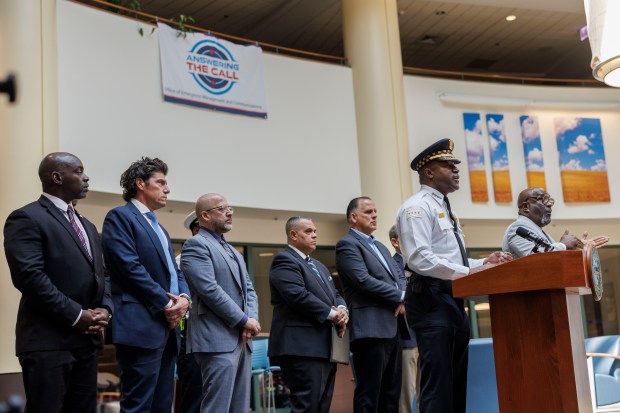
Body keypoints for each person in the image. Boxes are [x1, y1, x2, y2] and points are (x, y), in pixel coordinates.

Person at [396, 138, 511, 413]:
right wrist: (469, 272)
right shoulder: (417, 207)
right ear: (429, 172)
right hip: (430, 299)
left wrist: (484, 262)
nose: (456, 170)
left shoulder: (448, 210)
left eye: (455, 165)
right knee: (438, 385)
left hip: (451, 299)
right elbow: (420, 258)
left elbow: (451, 260)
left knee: (457, 382)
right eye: (448, 165)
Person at [3, 152, 112, 413]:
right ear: (57, 177)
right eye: (79, 171)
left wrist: (105, 309)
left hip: (87, 342)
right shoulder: (26, 217)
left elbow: (103, 274)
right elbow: (30, 277)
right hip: (48, 342)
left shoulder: (86, 224)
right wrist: (77, 315)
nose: (86, 178)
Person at [101, 157, 190, 413]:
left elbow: (175, 270)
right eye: (160, 182)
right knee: (139, 405)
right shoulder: (120, 217)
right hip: (140, 325)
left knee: (163, 405)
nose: (167, 189)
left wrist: (184, 298)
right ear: (140, 184)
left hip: (168, 328)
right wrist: (166, 304)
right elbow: (129, 268)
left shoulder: (159, 227)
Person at [180, 193, 260, 413]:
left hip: (242, 340)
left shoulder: (234, 251)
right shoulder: (195, 245)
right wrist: (243, 320)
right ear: (205, 215)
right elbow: (209, 290)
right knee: (217, 408)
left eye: (230, 208)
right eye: (222, 208)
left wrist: (252, 319)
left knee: (240, 408)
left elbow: (249, 290)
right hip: (216, 340)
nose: (230, 212)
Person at [268, 216, 349, 413]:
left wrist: (343, 309)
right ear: (293, 235)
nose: (314, 235)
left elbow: (336, 294)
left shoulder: (319, 266)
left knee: (322, 405)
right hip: (300, 347)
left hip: (325, 347)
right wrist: (333, 314)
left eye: (315, 231)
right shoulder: (284, 260)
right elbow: (297, 296)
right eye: (308, 231)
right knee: (307, 405)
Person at [336, 197, 406, 413]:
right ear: (353, 217)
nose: (375, 215)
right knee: (369, 394)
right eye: (368, 212)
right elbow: (362, 280)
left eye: (375, 211)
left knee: (391, 393)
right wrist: (400, 296)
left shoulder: (381, 247)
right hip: (370, 329)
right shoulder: (346, 245)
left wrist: (402, 296)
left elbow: (399, 276)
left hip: (393, 327)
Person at [503, 187, 609, 258]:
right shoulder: (518, 228)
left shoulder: (544, 234)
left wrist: (575, 249)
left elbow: (552, 260)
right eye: (542, 199)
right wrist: (563, 245)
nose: (549, 204)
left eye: (549, 200)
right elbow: (535, 258)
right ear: (526, 207)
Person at [389, 225, 420, 413]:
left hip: (426, 336)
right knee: (407, 395)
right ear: (395, 241)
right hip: (406, 339)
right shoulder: (389, 265)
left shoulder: (419, 263)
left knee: (426, 392)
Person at [176, 212, 202, 413]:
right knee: (194, 394)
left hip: (218, 335)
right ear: (197, 229)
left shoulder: (226, 254)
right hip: (191, 334)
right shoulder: (182, 260)